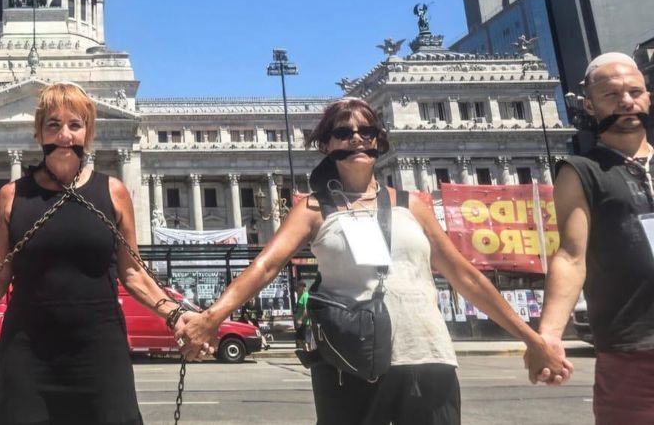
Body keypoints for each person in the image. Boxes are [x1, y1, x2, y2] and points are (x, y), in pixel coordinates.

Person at [175, 97, 568, 424]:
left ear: (380, 140)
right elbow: (266, 265)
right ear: (326, 144)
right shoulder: (313, 209)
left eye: (367, 131)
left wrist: (532, 338)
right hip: (350, 362)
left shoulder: (413, 205)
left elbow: (465, 277)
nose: (357, 138)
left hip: (426, 356)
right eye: (343, 132)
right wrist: (212, 317)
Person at [0, 82, 203, 424]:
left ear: (87, 134)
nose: (64, 135)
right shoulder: (12, 196)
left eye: (74, 125)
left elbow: (133, 272)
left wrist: (175, 314)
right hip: (28, 353)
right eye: (53, 124)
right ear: (39, 132)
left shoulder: (114, 192)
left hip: (99, 352)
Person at [537, 52, 654, 422]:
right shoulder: (580, 171)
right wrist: (549, 334)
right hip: (633, 349)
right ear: (589, 105)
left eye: (635, 92)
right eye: (612, 95)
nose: (626, 101)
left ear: (648, 97)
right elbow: (571, 257)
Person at [293, 279, 313, 350]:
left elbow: (306, 310)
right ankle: (307, 352)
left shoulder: (305, 296)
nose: (297, 288)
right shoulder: (299, 295)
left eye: (298, 287)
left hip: (305, 323)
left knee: (307, 341)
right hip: (300, 322)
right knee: (299, 340)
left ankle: (309, 353)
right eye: (297, 287)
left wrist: (300, 320)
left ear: (303, 287)